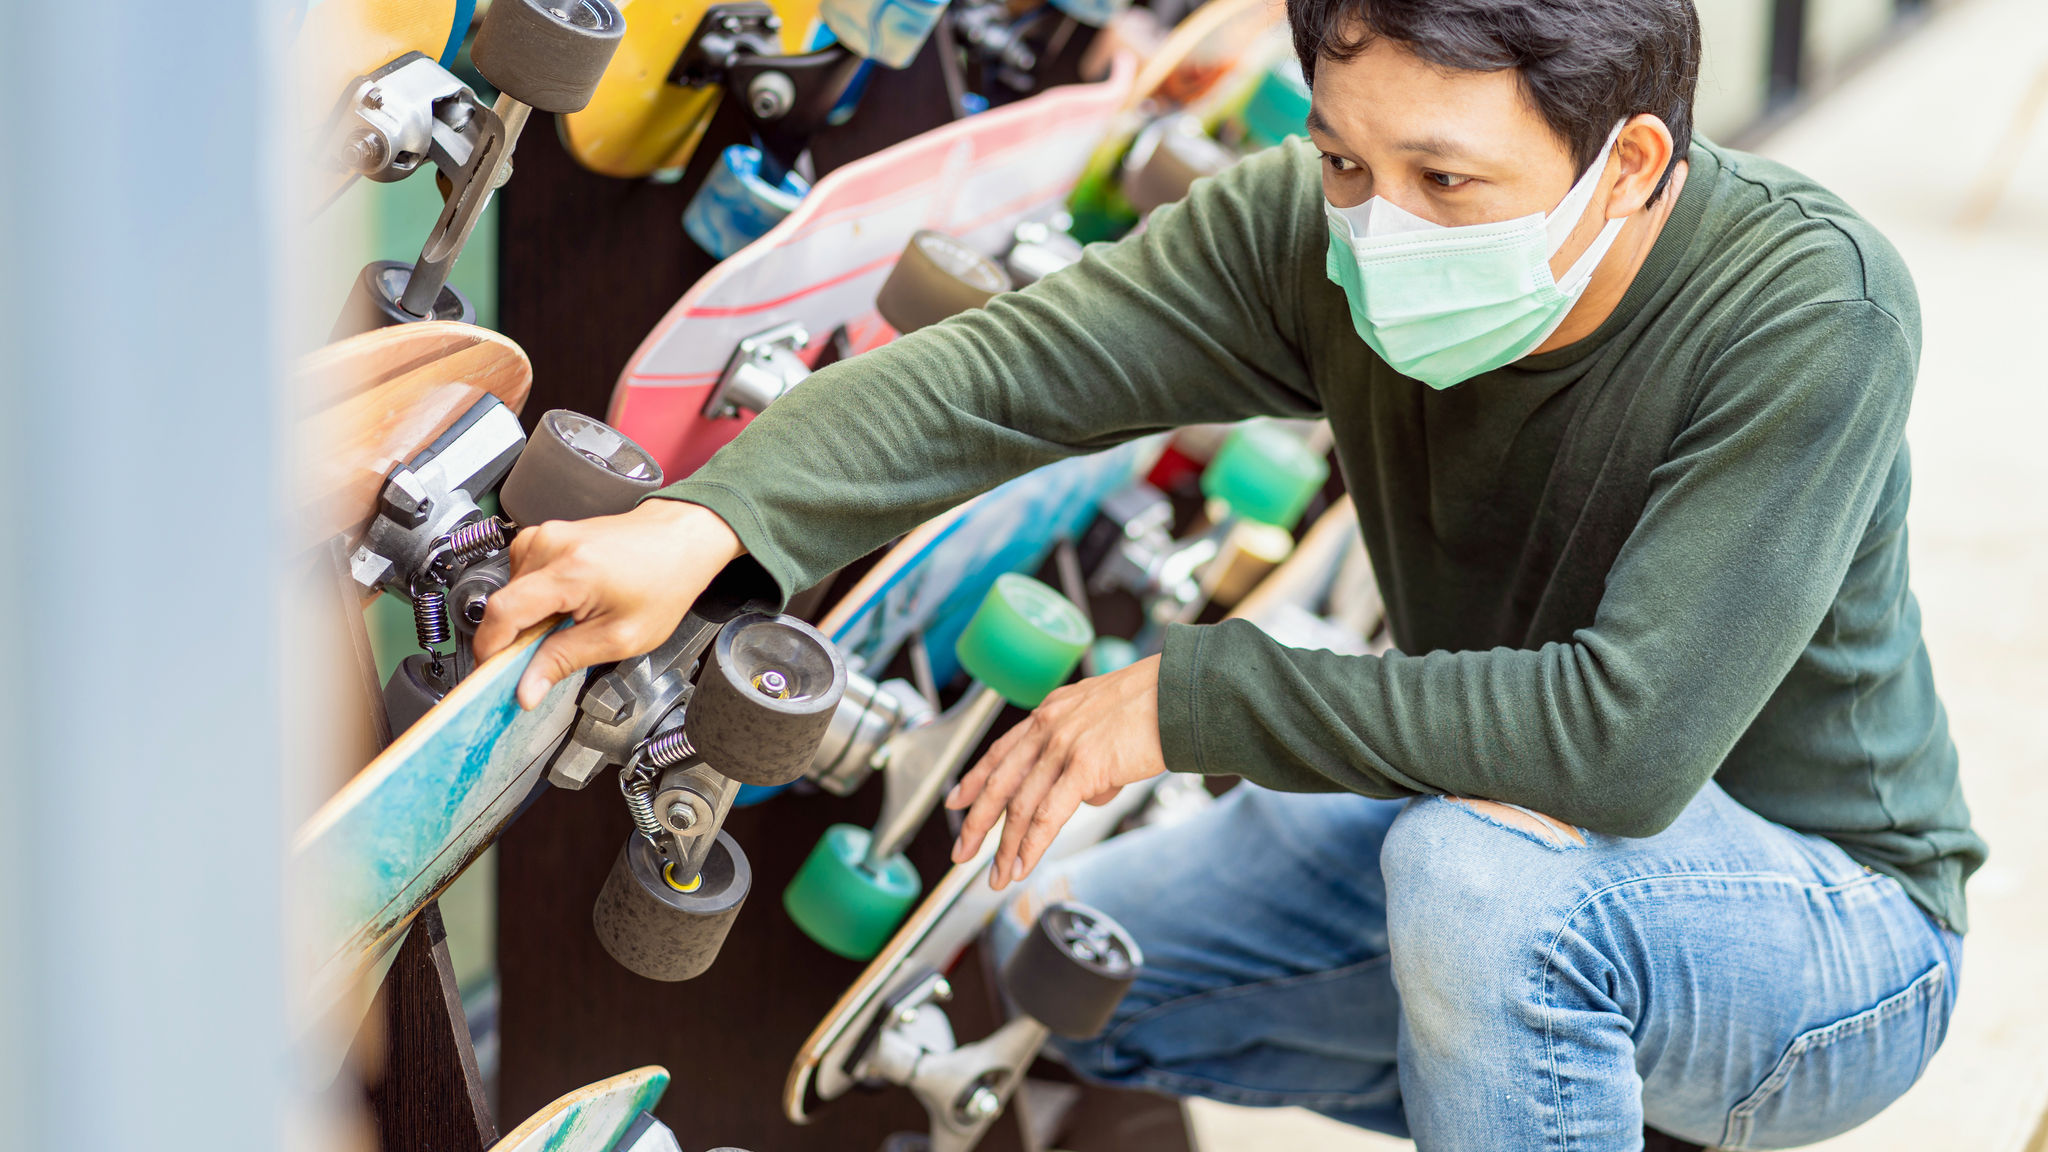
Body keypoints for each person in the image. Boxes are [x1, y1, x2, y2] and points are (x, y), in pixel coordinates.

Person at [474, 0, 1983, 1145]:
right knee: (1059, 962)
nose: (1381, 228)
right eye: (1344, 158)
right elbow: (1015, 368)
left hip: (1831, 925)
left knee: (1483, 896)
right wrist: (710, 522)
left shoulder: (1811, 304)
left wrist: (1182, 700)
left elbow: (1624, 747)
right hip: (1488, 823)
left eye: (1448, 183)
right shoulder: (1313, 231)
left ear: (1631, 162)